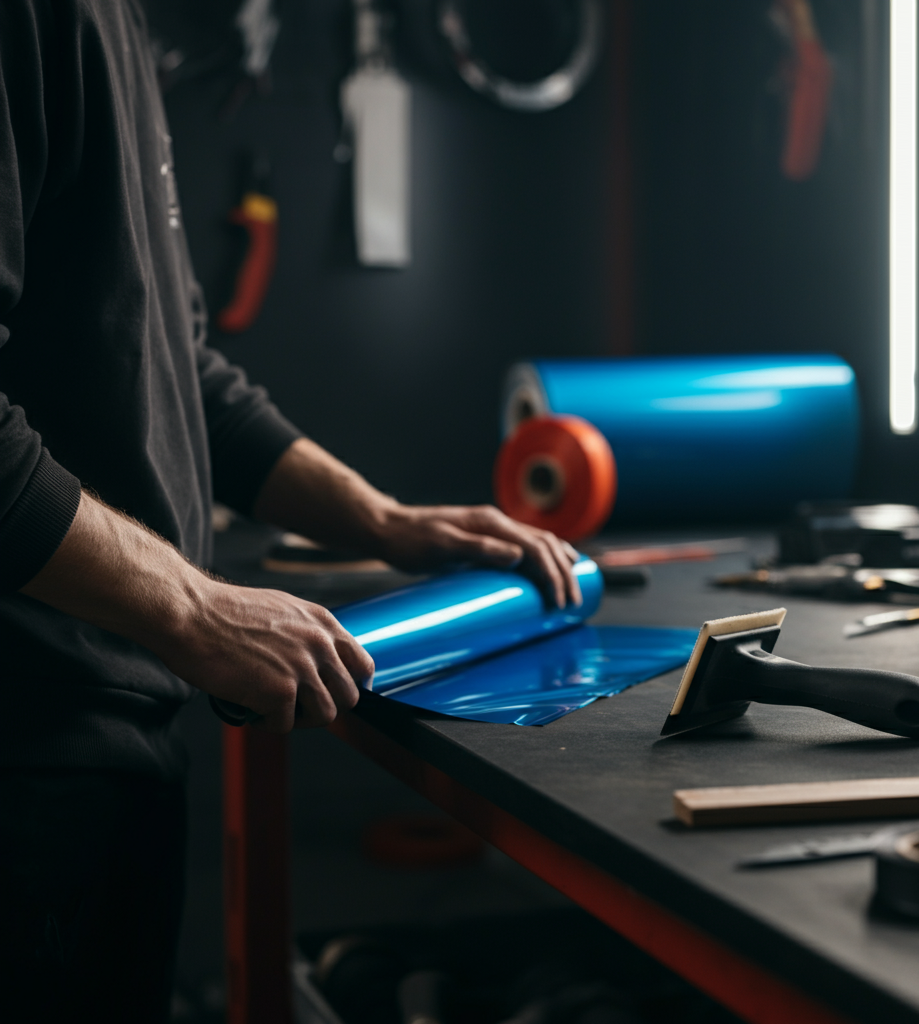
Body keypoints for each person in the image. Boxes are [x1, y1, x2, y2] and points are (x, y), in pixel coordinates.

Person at [0, 2, 580, 1019]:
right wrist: (193, 607)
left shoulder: (119, 26)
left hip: (105, 736)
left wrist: (385, 521)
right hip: (26, 747)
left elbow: (179, 366)